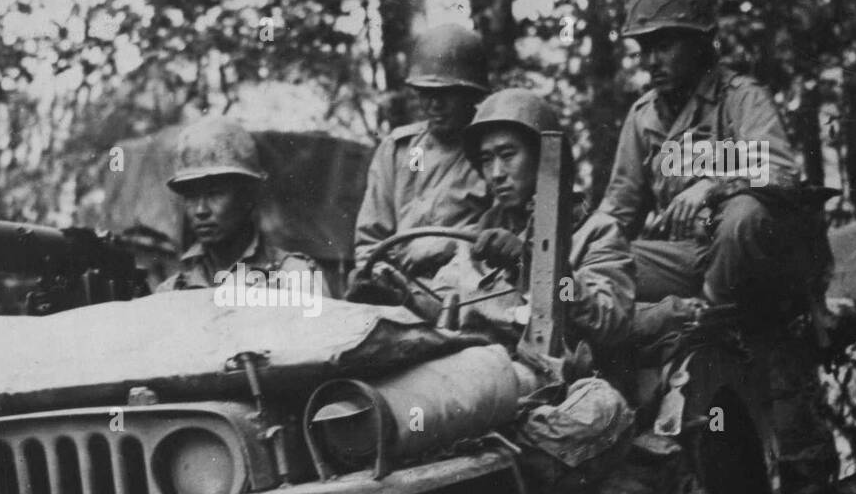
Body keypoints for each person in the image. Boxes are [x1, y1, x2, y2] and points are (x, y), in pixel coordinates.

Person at [597, 0, 804, 319]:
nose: (651, 61)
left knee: (744, 213)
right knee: (597, 257)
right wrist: (577, 242)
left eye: (663, 46)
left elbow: (783, 174)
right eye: (645, 49)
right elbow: (619, 210)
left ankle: (709, 319)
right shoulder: (644, 116)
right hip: (683, 259)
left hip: (747, 263)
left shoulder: (742, 98)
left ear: (698, 44)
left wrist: (713, 185)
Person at [417, 89, 635, 365]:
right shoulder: (476, 239)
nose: (496, 173)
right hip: (470, 369)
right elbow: (442, 304)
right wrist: (402, 297)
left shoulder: (595, 233)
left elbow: (610, 321)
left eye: (507, 155)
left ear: (543, 159)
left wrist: (535, 266)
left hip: (551, 379)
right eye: (486, 160)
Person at [349, 25, 491, 289]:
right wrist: (381, 280)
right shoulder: (398, 150)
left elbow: (512, 235)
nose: (434, 105)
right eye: (426, 93)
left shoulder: (491, 155)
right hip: (397, 292)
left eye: (447, 94)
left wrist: (449, 244)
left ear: (471, 94)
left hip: (464, 295)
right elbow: (371, 240)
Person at [156, 117, 334, 297]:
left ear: (248, 196)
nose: (201, 210)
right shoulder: (173, 290)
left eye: (215, 193)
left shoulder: (294, 279)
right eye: (191, 197)